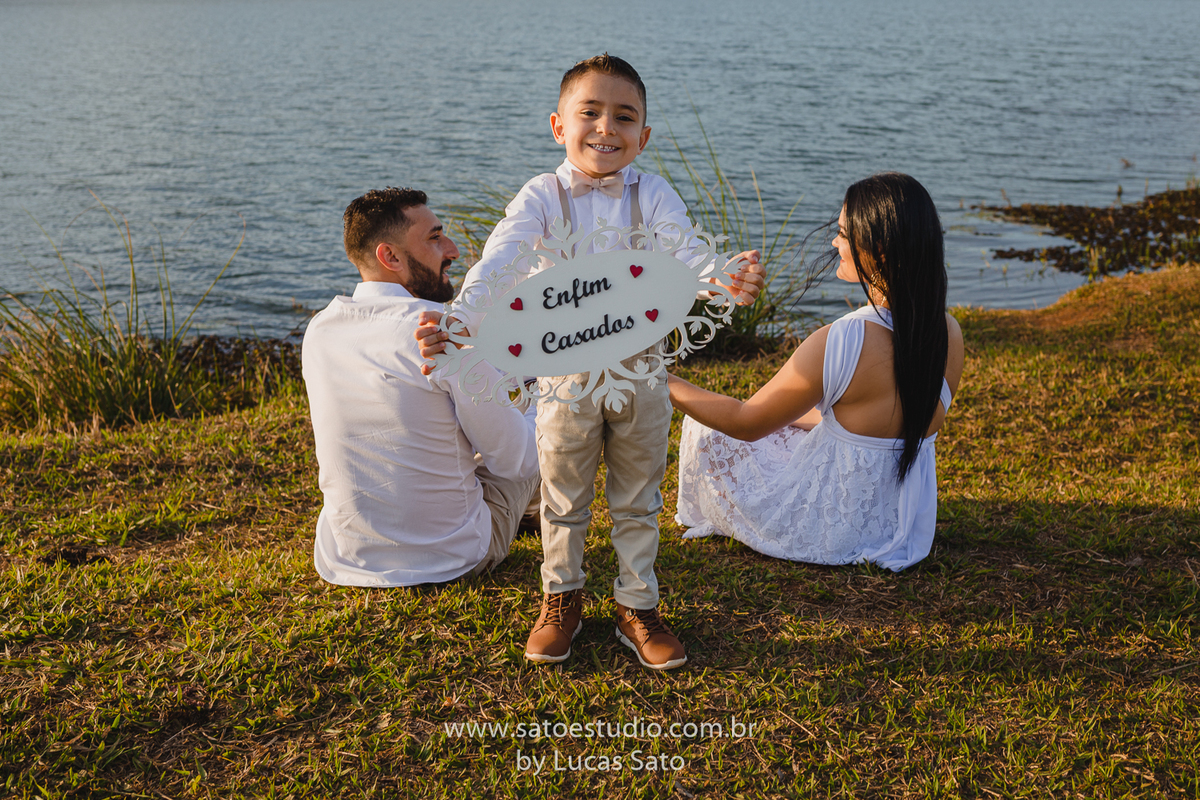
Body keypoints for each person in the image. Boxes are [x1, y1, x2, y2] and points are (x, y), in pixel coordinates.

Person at [418, 54, 765, 670]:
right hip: (565, 373)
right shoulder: (541, 196)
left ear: (644, 135)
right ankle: (561, 598)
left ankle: (638, 606)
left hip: (642, 369)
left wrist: (725, 278)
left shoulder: (652, 192)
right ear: (558, 125)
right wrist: (460, 318)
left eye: (624, 117)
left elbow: (686, 254)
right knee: (562, 493)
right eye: (591, 112)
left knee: (638, 496)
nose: (607, 127)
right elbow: (502, 260)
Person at [668, 172, 965, 571]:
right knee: (787, 425)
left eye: (843, 234)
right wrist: (790, 420)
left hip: (829, 528)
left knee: (706, 428)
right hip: (898, 523)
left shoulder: (843, 339)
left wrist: (658, 377)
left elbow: (745, 423)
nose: (834, 243)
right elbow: (875, 423)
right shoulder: (948, 331)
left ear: (876, 249)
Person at [302, 187, 540, 587]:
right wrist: (539, 393)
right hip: (453, 557)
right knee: (541, 423)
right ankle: (533, 516)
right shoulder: (435, 334)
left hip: (347, 558)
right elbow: (517, 462)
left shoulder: (321, 329)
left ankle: (528, 516)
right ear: (389, 256)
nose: (452, 249)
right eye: (434, 237)